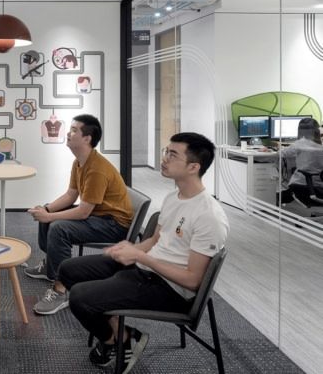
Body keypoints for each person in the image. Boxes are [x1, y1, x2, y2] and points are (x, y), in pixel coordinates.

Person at [36, 132, 228, 374]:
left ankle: (117, 340)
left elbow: (192, 280)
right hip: (146, 267)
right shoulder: (173, 197)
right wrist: (131, 249)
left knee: (80, 298)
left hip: (170, 289)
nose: (164, 158)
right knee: (68, 270)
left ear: (193, 167)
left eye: (172, 154)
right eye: (165, 152)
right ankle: (122, 332)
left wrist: (141, 257)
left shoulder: (209, 215)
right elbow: (156, 239)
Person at [24, 114, 133, 305]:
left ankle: (61, 287)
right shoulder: (79, 162)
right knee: (48, 214)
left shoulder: (97, 169)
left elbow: (83, 212)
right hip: (98, 215)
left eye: (74, 130)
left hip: (113, 224)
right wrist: (46, 209)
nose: (68, 133)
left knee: (58, 227)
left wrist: (50, 217)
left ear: (87, 138)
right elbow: (70, 195)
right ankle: (51, 267)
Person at [279, 117, 323, 202]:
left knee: (290, 181)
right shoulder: (320, 145)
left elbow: (282, 154)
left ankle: (275, 200)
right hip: (320, 185)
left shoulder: (300, 144)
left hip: (303, 185)